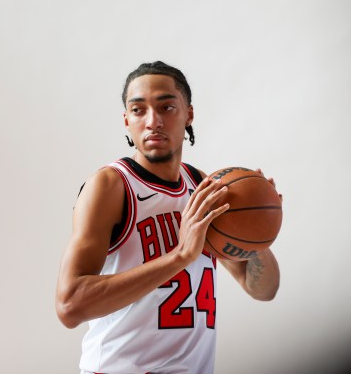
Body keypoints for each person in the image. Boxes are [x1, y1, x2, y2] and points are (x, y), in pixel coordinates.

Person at [55, 61, 281, 374]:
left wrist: (259, 232)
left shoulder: (201, 184)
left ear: (188, 113)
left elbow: (262, 289)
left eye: (167, 106)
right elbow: (70, 306)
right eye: (138, 110)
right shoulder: (110, 186)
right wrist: (180, 256)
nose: (153, 121)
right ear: (126, 120)